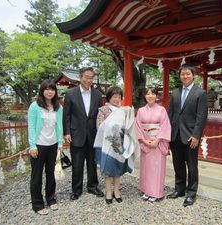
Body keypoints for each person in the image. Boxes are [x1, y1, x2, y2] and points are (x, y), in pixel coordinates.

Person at [167, 63, 208, 207]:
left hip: (191, 136)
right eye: (182, 74)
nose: (185, 76)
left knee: (191, 166)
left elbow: (202, 116)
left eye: (188, 74)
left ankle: (191, 193)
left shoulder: (200, 93)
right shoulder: (175, 93)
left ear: (193, 75)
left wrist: (196, 135)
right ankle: (179, 189)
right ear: (180, 76)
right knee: (177, 164)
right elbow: (170, 114)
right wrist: (167, 134)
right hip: (175, 134)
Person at [63, 67, 104, 200]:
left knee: (92, 163)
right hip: (76, 134)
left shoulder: (97, 94)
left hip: (93, 134)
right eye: (86, 77)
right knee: (77, 163)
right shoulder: (70, 94)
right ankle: (76, 189)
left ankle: (92, 186)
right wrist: (67, 132)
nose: (89, 80)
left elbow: (100, 115)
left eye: (91, 77)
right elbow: (66, 115)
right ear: (80, 77)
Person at [94, 86, 139, 204]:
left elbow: (128, 126)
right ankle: (108, 191)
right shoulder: (103, 110)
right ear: (109, 97)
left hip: (120, 145)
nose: (117, 99)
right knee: (108, 168)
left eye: (119, 96)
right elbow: (99, 127)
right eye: (114, 96)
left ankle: (117, 190)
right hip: (107, 144)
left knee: (118, 167)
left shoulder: (124, 110)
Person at [28, 79, 63, 215]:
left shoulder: (58, 107)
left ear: (55, 92)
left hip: (52, 145)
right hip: (39, 145)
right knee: (36, 176)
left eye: (52, 89)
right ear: (42, 91)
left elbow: (59, 126)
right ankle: (37, 204)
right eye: (47, 89)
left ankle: (51, 199)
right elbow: (31, 126)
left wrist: (60, 143)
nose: (49, 91)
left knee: (51, 174)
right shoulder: (34, 106)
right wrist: (32, 145)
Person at [136, 87, 171, 202]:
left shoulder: (162, 110)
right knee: (146, 168)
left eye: (152, 94)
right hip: (146, 142)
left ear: (156, 96)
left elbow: (165, 126)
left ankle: (156, 193)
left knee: (157, 168)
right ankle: (146, 191)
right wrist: (144, 141)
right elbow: (138, 127)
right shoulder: (140, 111)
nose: (150, 96)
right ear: (145, 96)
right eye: (148, 94)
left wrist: (157, 140)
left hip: (158, 143)